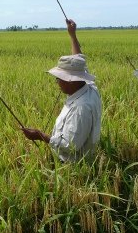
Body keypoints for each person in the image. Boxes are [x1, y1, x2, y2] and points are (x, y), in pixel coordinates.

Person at [21, 19, 102, 162]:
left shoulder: (81, 108)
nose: (57, 82)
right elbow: (78, 59)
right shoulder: (89, 85)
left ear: (71, 80)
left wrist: (40, 136)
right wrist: (72, 35)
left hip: (71, 164)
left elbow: (70, 146)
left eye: (59, 78)